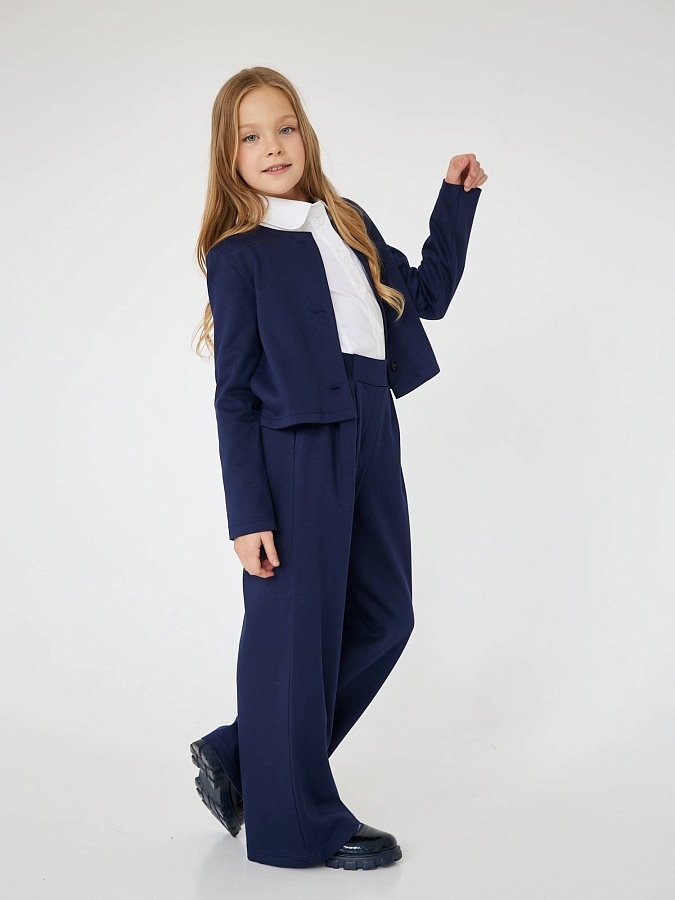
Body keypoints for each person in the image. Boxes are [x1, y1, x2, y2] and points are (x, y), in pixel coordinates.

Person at [190, 65, 487, 871]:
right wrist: (248, 513)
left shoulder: (346, 221)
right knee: (295, 636)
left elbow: (425, 296)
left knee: (386, 616)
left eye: (284, 127)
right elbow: (232, 395)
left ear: (305, 133)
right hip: (295, 447)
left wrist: (454, 202)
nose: (272, 146)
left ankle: (243, 755)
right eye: (250, 136)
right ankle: (297, 826)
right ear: (228, 155)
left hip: (370, 427)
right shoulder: (239, 255)